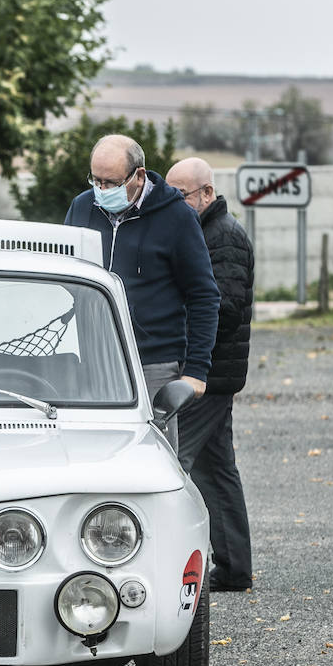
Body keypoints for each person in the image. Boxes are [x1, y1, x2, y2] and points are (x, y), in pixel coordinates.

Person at [63, 134, 220, 444]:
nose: (102, 190)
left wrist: (197, 371)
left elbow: (204, 295)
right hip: (92, 360)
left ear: (139, 176)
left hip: (153, 363)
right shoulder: (82, 208)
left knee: (152, 453)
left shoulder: (177, 217)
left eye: (111, 182)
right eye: (96, 180)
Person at [166, 157, 255, 592]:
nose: (174, 204)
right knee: (217, 470)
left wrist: (180, 325)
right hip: (214, 371)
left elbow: (225, 308)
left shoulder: (224, 237)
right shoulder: (206, 232)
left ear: (206, 193)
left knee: (171, 461)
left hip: (209, 374)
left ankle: (165, 563)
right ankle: (234, 567)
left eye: (180, 195)